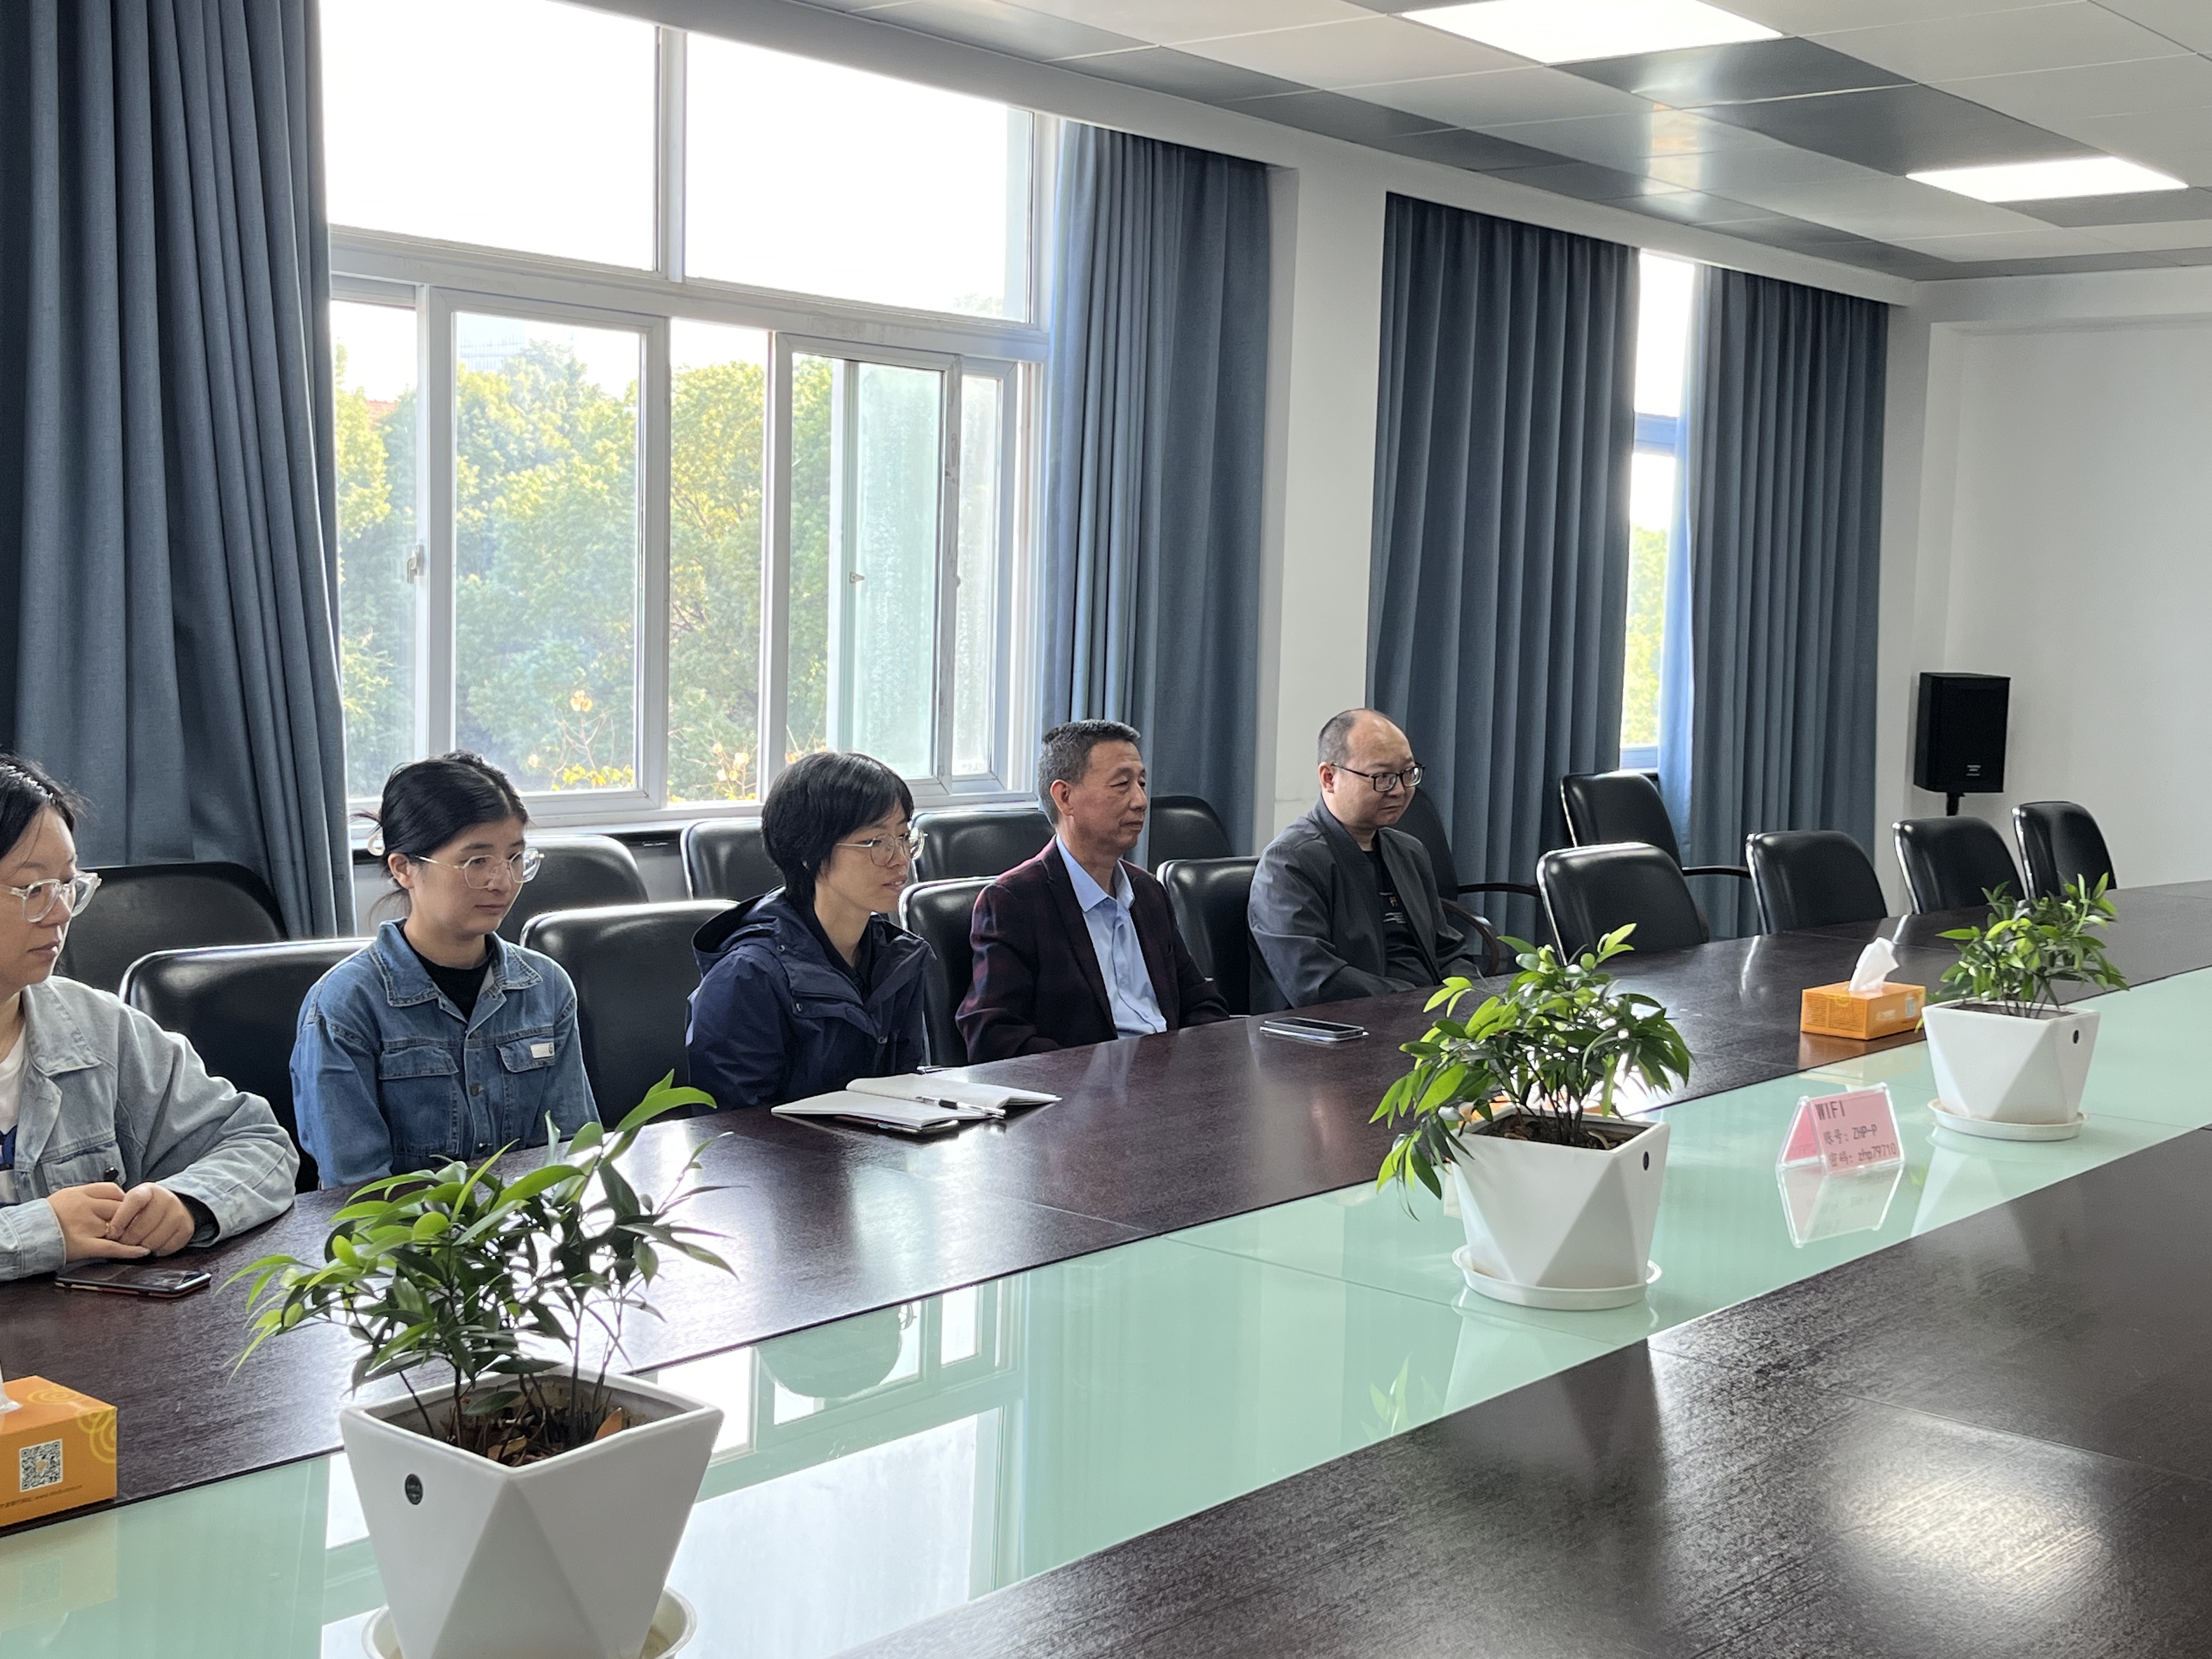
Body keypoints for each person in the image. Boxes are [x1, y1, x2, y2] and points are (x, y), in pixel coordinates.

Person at [0, 756, 297, 1280]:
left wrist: (189, 1201)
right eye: (34, 891)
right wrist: (37, 1233)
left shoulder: (97, 1028)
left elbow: (260, 1144)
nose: (62, 913)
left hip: (94, 1327)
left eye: (67, 884)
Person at [292, 754, 595, 1188]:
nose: (502, 882)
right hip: (400, 1231)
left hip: (528, 1225)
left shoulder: (546, 987)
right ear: (404, 868)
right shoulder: (345, 1006)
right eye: (477, 862)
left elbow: (570, 1155)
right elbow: (356, 1190)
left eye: (514, 858)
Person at [959, 720, 1228, 1061]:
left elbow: (1201, 1002)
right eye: (1122, 785)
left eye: (1142, 783)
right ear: (1065, 797)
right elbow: (993, 1035)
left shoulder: (1148, 893)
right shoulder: (1014, 903)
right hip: (1080, 1087)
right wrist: (1097, 1077)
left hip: (1166, 1080)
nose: (1141, 801)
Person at [687, 751, 931, 1108]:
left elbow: (903, 1091)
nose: (900, 859)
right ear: (809, 852)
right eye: (875, 842)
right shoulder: (747, 976)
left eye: (904, 836)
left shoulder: (897, 957)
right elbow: (734, 1127)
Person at [1248, 709, 1488, 1011]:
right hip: (1348, 1026)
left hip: (1428, 1018)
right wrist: (1422, 1003)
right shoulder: (1288, 864)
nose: (1400, 790)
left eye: (1408, 773)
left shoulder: (1409, 852)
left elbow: (1448, 952)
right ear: (1329, 778)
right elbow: (1318, 982)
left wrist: (1474, 1003)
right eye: (1383, 777)